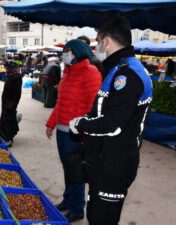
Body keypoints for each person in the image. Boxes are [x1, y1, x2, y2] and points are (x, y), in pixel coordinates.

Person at [69, 16, 153, 225]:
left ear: (107, 41)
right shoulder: (117, 69)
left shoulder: (128, 75)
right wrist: (87, 118)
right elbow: (103, 108)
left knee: (102, 219)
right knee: (95, 214)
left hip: (114, 164)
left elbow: (113, 125)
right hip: (103, 160)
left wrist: (80, 124)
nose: (97, 47)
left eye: (98, 41)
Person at [46, 39, 102, 222]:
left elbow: (92, 107)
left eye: (68, 51)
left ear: (77, 53)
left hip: (76, 133)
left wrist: (85, 134)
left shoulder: (90, 73)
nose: (65, 54)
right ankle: (68, 200)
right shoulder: (67, 73)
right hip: (62, 131)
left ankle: (77, 209)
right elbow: (60, 102)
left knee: (76, 171)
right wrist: (51, 123)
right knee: (67, 168)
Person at [0, 60, 23, 147]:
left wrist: (10, 104)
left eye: (7, 68)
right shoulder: (12, 76)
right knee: (7, 119)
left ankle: (7, 139)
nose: (6, 69)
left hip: (10, 103)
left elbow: (16, 93)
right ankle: (7, 136)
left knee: (6, 120)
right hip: (7, 102)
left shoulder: (15, 77)